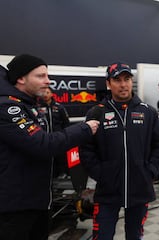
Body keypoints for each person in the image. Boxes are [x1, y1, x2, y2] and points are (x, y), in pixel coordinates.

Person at [0, 54, 99, 240]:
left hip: (37, 202)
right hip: (14, 210)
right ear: (21, 78)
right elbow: (43, 144)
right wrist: (84, 129)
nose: (48, 81)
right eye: (41, 76)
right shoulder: (7, 108)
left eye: (47, 75)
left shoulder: (29, 106)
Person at [79, 62, 159, 240]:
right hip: (107, 191)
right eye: (117, 80)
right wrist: (101, 173)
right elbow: (86, 149)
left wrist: (150, 171)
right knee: (102, 235)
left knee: (135, 235)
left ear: (132, 81)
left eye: (127, 79)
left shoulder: (148, 112)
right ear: (109, 83)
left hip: (139, 189)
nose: (123, 84)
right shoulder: (96, 113)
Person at [37, 87, 71, 177]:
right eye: (43, 92)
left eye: (47, 92)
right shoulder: (38, 108)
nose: (45, 94)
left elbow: (66, 123)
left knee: (60, 157)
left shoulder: (59, 107)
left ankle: (63, 173)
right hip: (44, 138)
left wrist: (65, 135)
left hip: (58, 137)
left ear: (52, 94)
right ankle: (52, 175)